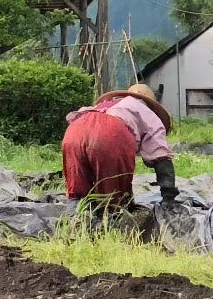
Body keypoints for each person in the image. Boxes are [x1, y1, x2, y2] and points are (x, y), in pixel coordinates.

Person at [62, 83, 180, 215]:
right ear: (147, 98)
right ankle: (109, 222)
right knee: (114, 198)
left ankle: (72, 218)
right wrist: (168, 195)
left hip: (75, 130)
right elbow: (161, 156)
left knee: (77, 188)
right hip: (110, 131)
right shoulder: (146, 111)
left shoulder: (106, 104)